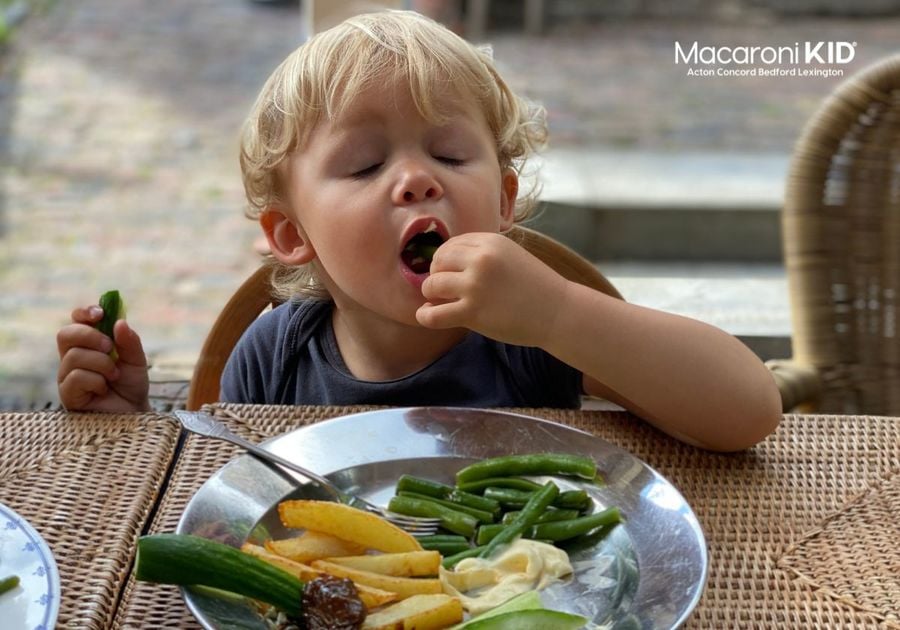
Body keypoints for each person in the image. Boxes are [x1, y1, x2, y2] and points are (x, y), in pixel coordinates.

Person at [56, 10, 782, 451]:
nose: (416, 179)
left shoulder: (527, 339)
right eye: (366, 164)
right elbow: (223, 503)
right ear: (290, 234)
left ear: (501, 201)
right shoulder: (275, 355)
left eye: (449, 153)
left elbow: (747, 412)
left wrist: (561, 315)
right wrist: (130, 427)